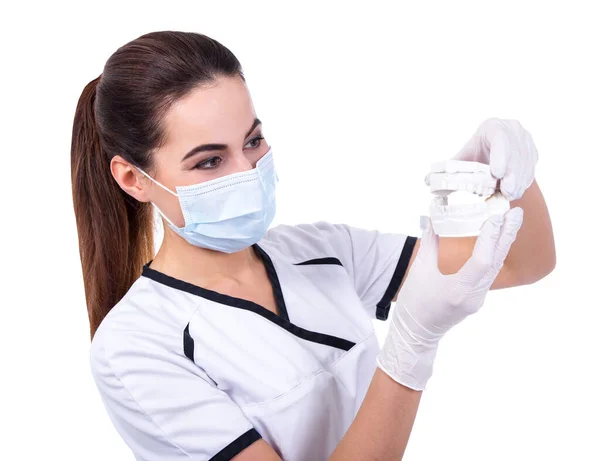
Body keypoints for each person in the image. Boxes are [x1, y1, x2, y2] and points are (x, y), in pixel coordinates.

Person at [71, 31, 554, 461]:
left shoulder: (322, 251)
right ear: (134, 179)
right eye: (209, 162)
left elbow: (523, 263)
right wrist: (411, 344)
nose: (248, 171)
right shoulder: (136, 348)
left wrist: (508, 177)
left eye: (253, 141)